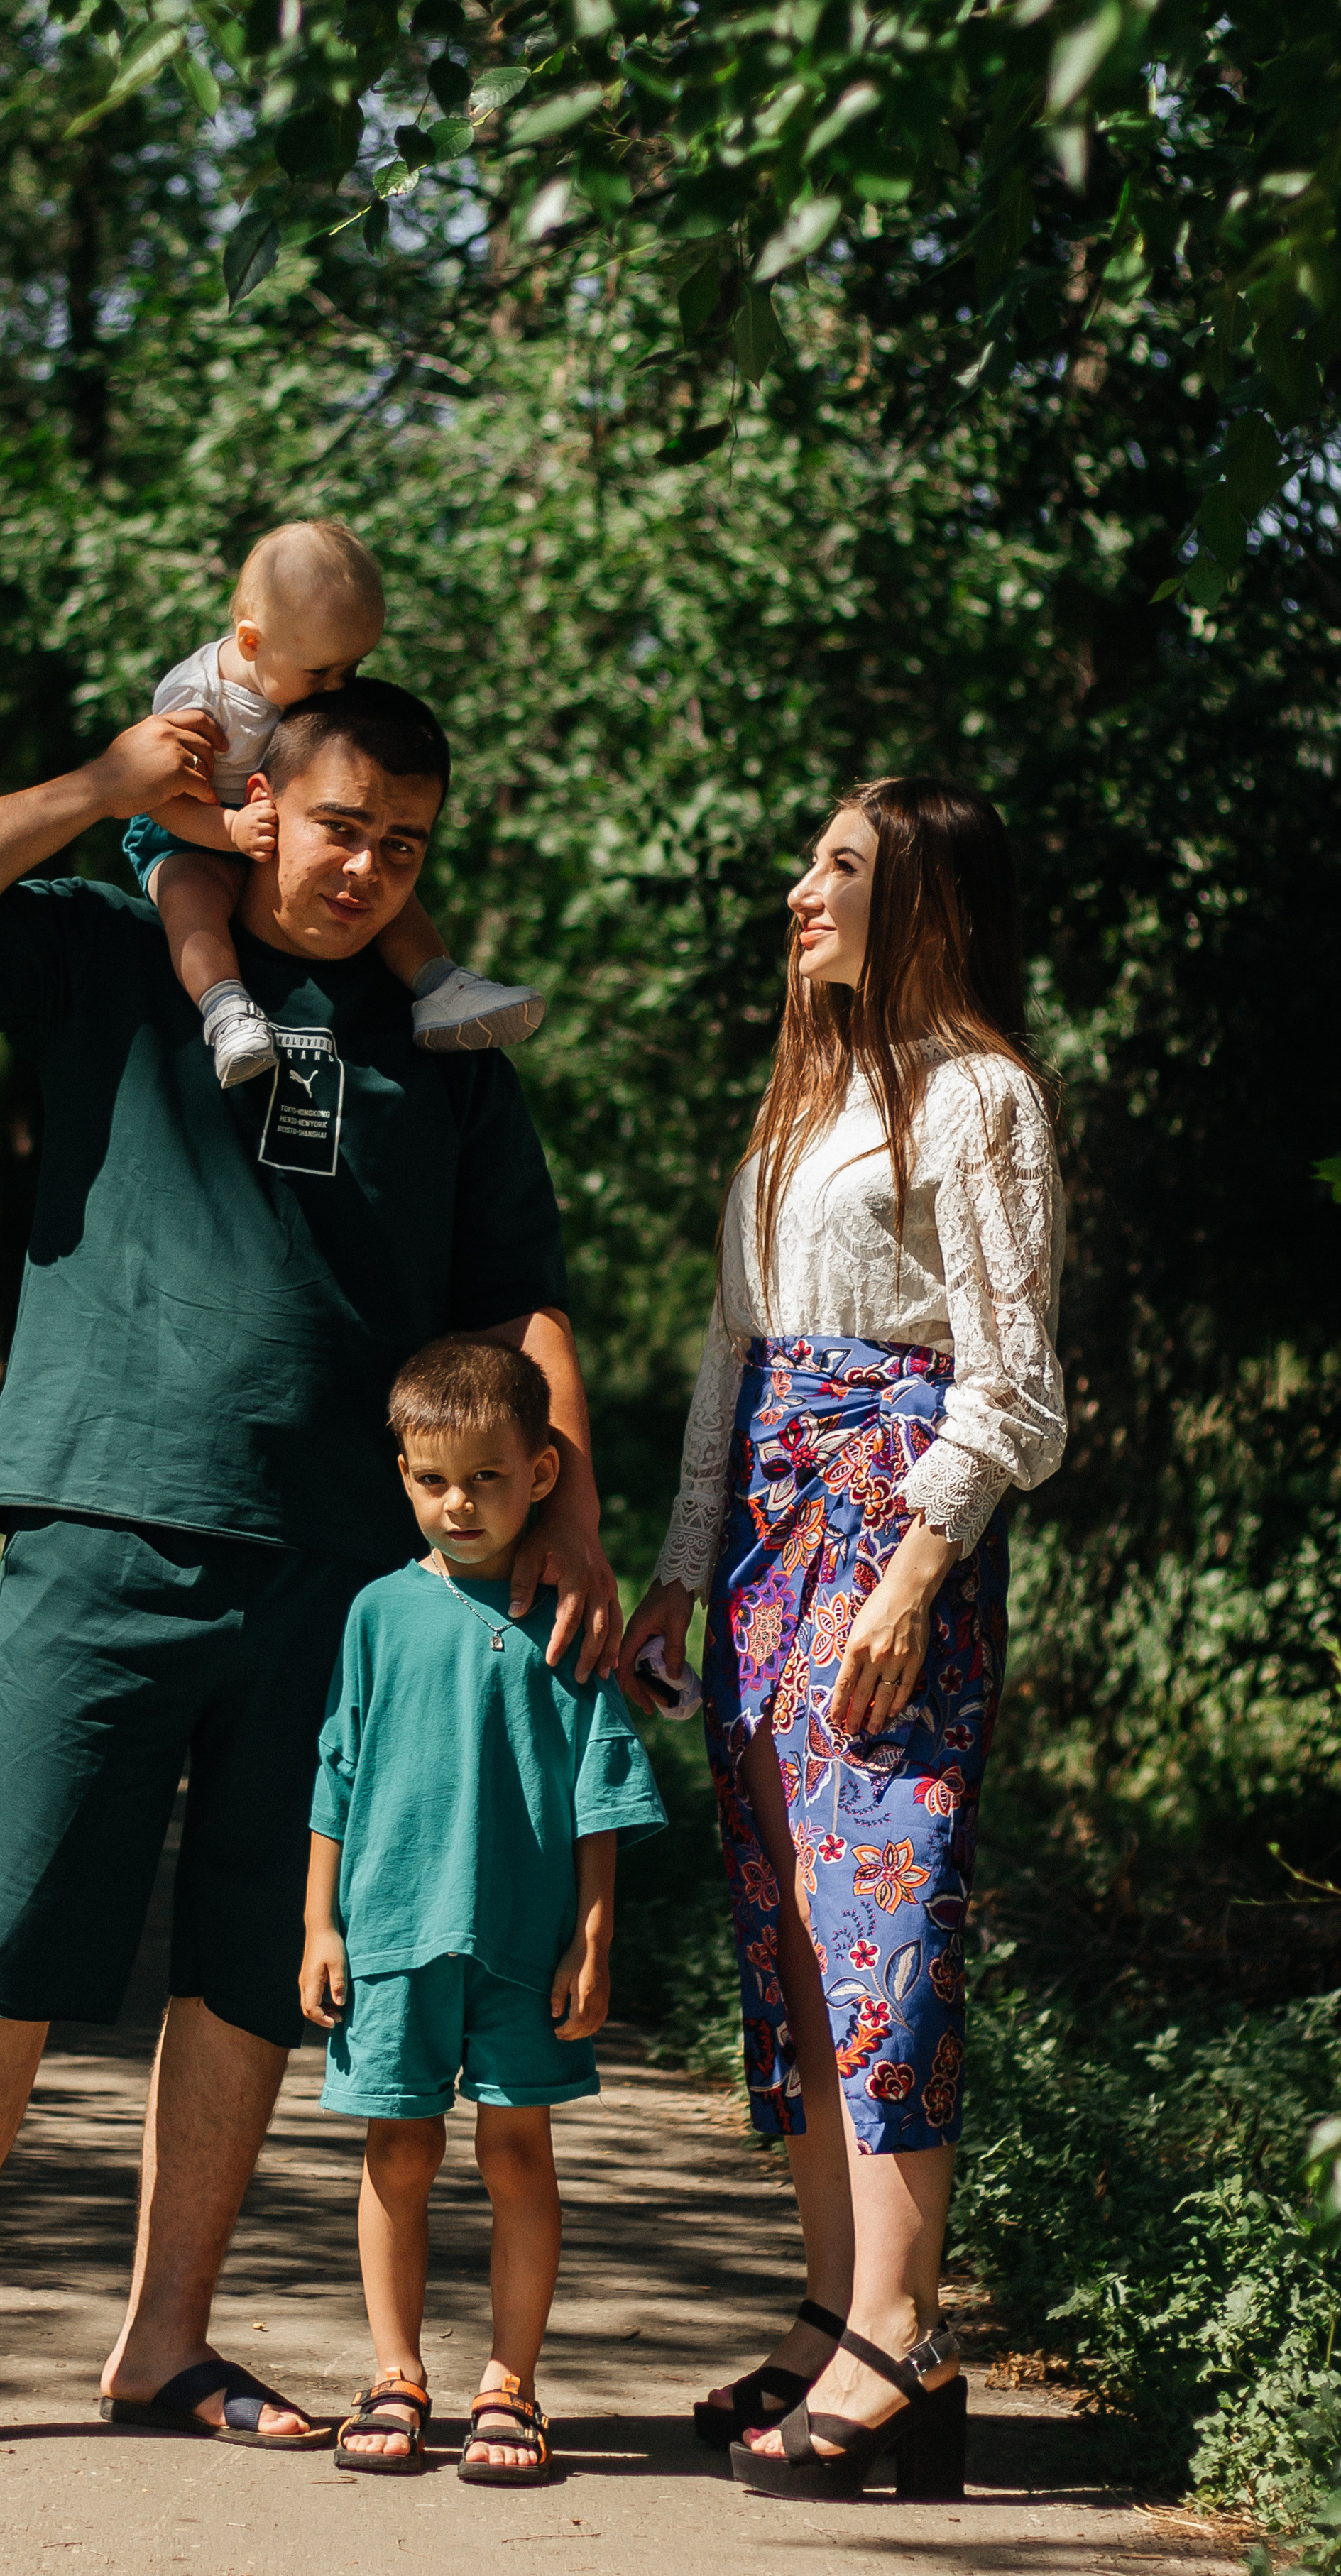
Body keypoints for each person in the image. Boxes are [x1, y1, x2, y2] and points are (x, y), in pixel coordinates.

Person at [0, 676, 622, 2470]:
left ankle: (161, 2341)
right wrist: (103, 782)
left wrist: (566, 1494)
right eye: (340, 825)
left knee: (256, 1966)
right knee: (3, 1935)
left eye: (402, 844)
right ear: (258, 805)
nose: (364, 868)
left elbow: (518, 1291)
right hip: (107, 1510)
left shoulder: (444, 1037)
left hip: (346, 1572)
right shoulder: (112, 947)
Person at [620, 775, 1066, 2504]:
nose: (796, 888)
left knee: (884, 1922)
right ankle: (834, 2314)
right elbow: (727, 1369)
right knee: (792, 1928)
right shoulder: (793, 1111)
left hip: (890, 1538)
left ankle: (903, 2331)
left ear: (924, 902)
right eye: (806, 859)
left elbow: (1013, 1381)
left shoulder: (978, 1096)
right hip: (759, 1547)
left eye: (839, 865)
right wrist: (678, 1565)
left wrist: (911, 1569)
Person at [300, 1336, 665, 2485]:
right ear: (402, 1471)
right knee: (397, 2154)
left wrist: (595, 1936)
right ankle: (394, 2374)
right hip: (392, 1939)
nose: (458, 1504)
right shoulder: (375, 1613)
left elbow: (601, 1786)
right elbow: (337, 1773)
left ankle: (510, 2385)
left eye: (487, 1478)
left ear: (543, 1472)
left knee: (518, 2156)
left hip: (521, 1940)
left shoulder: (566, 1615)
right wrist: (320, 1924)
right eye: (431, 1480)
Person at [128, 517, 546, 1086]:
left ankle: (439, 985)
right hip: (190, 828)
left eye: (352, 669)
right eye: (320, 672)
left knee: (383, 884)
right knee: (194, 898)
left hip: (274, 823)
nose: (336, 687)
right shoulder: (197, 700)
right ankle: (226, 1009)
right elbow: (154, 799)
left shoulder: (295, 665)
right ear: (253, 642)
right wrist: (227, 831)